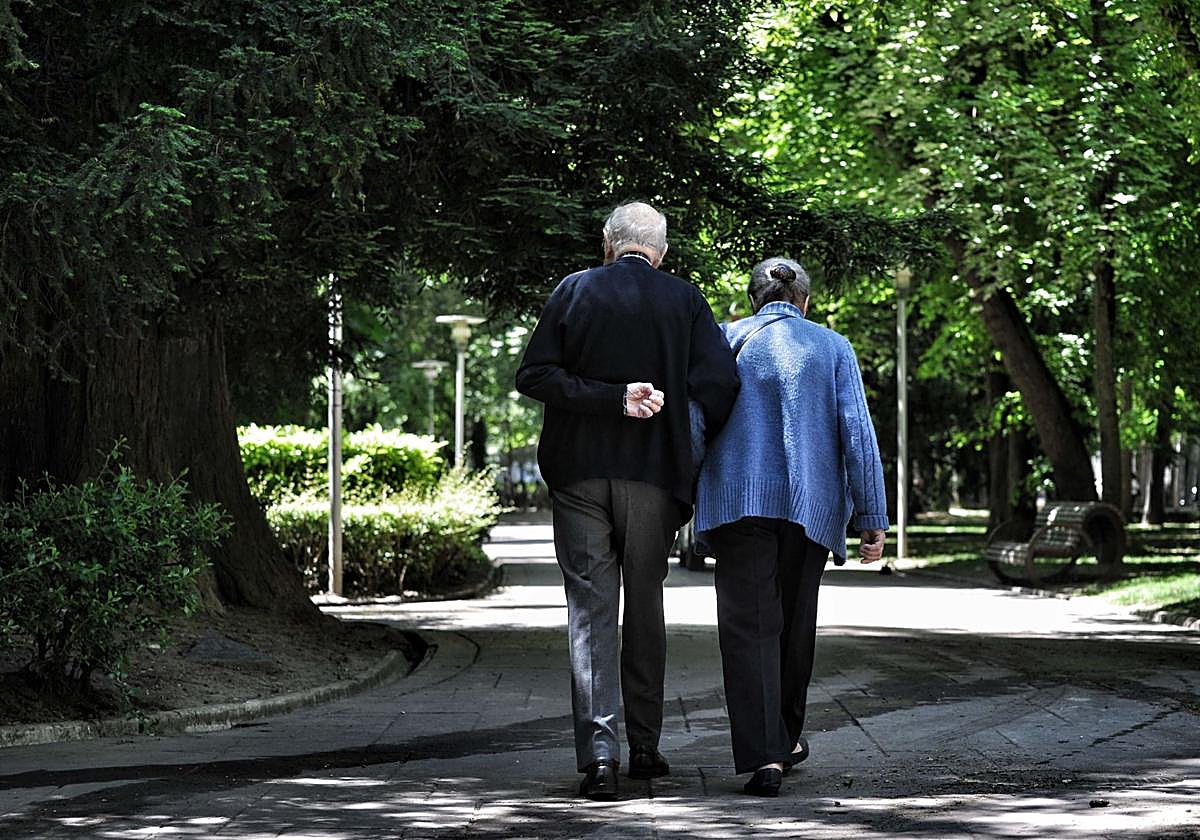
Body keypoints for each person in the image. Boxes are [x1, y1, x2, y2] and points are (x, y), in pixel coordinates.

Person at [515, 202, 740, 800]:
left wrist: (608, 397)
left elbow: (534, 376)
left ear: (608, 244)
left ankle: (598, 756)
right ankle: (645, 745)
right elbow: (720, 384)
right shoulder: (685, 300)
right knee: (645, 606)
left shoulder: (572, 291)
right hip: (653, 478)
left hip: (579, 473)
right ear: (660, 251)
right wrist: (684, 436)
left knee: (589, 610)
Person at [695, 257, 889, 797]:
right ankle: (785, 739)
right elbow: (858, 434)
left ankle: (766, 755)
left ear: (752, 299)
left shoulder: (724, 339)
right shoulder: (832, 347)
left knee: (749, 628)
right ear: (805, 301)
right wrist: (871, 516)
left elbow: (695, 419)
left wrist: (681, 495)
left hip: (738, 505)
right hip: (811, 509)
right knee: (795, 624)